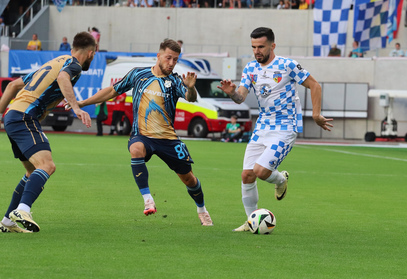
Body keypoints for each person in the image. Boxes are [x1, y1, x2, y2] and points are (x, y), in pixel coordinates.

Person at [76, 39, 213, 226]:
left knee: (189, 178)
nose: (171, 63)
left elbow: (191, 98)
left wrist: (190, 88)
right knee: (136, 149)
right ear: (158, 56)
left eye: (175, 60)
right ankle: (148, 199)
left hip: (168, 139)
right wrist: (83, 103)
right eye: (168, 58)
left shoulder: (175, 81)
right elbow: (111, 91)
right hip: (143, 135)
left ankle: (202, 209)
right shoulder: (138, 74)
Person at [217, 27, 333, 232]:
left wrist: (316, 115)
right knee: (247, 175)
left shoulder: (287, 65)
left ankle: (281, 179)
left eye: (261, 46)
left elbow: (315, 85)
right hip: (262, 126)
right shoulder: (251, 68)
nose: (257, 51)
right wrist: (232, 93)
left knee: (260, 172)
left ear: (272, 45)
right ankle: (251, 221)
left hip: (285, 128)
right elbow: (240, 98)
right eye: (253, 47)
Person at [0, 31, 96, 233]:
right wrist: (76, 107)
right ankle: (23, 210)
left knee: (32, 171)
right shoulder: (74, 66)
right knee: (47, 165)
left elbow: (13, 85)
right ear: (91, 53)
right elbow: (63, 78)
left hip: (13, 116)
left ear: (71, 49)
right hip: (24, 117)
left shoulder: (53, 63)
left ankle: (7, 221)